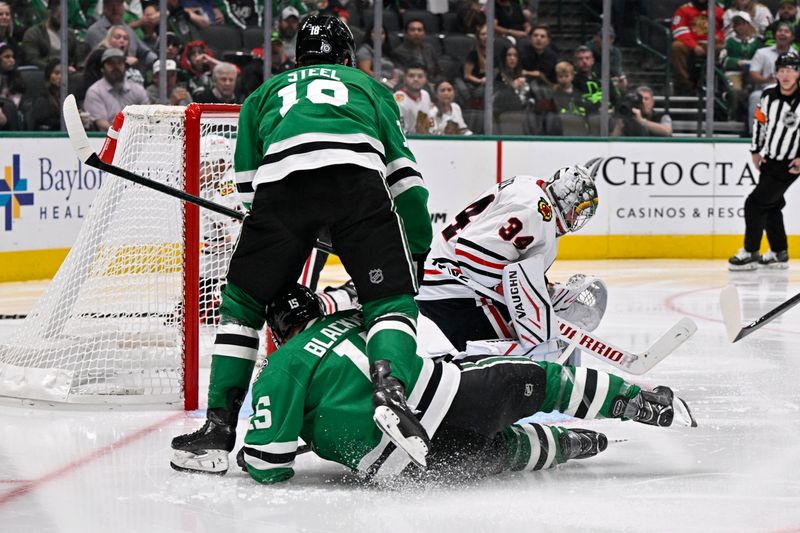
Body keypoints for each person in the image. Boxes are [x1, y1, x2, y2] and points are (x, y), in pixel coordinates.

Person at [170, 15, 435, 473]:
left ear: (298, 58)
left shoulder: (264, 93)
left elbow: (250, 190)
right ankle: (391, 394)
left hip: (281, 195)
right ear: (347, 55)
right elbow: (404, 180)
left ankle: (217, 432)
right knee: (390, 301)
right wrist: (417, 244)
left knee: (241, 307)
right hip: (358, 187)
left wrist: (295, 225)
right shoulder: (369, 88)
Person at [218, 283, 697, 484]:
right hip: (448, 397)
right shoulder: (359, 319)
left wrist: (257, 450)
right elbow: (399, 310)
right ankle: (637, 402)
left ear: (277, 332)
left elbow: (268, 464)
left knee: (501, 452)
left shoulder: (278, 372)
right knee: (538, 381)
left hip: (405, 467)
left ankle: (566, 445)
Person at [417, 166, 601, 362]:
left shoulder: (531, 187)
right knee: (518, 358)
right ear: (565, 198)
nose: (575, 219)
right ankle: (436, 378)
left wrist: (541, 287)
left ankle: (445, 367)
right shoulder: (536, 212)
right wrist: (527, 295)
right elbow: (474, 256)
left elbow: (509, 257)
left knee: (525, 344)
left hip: (449, 276)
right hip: (451, 286)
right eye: (576, 211)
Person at [729, 53, 800, 270]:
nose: (786, 75)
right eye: (782, 70)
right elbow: (760, 123)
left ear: (798, 73)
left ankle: (750, 252)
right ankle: (779, 252)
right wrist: (756, 150)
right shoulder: (768, 95)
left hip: (790, 164)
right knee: (771, 205)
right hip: (769, 159)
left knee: (754, 203)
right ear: (776, 73)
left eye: (790, 70)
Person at [747, 21, 797, 133]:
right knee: (755, 97)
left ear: (792, 37)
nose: (782, 34)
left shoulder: (796, 56)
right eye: (780, 31)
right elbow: (753, 73)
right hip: (766, 89)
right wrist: (766, 79)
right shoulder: (762, 53)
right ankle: (755, 134)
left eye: (786, 31)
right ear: (775, 35)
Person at [83, 47, 149, 132]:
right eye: (111, 63)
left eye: (119, 63)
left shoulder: (137, 89)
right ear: (102, 68)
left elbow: (147, 117)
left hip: (136, 138)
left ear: (125, 66)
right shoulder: (95, 91)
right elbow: (102, 124)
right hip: (106, 139)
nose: (116, 67)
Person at [670, 0, 725, 94]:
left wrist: (717, 38)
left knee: (722, 48)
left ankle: (717, 83)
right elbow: (679, 30)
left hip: (712, 44)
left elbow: (725, 29)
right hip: (691, 44)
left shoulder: (719, 10)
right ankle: (685, 84)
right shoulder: (683, 10)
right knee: (676, 47)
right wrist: (694, 46)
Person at [86, 0, 156, 70]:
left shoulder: (128, 30)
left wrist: (158, 61)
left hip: (132, 74)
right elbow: (103, 57)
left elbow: (145, 52)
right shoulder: (94, 31)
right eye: (111, 5)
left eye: (118, 5)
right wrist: (124, 59)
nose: (115, 9)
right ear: (104, 7)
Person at [20, 0, 80, 71]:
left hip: (68, 75)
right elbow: (32, 60)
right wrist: (56, 69)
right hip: (43, 75)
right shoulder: (34, 33)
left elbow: (77, 58)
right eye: (59, 16)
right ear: (49, 12)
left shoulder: (70, 34)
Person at [394, 62, 433, 134]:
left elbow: (429, 122)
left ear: (426, 79)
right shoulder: (398, 98)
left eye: (420, 76)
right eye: (411, 76)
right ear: (404, 78)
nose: (416, 79)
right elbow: (397, 130)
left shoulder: (425, 95)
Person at [29, 57, 61, 130]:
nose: (60, 76)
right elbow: (43, 122)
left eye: (64, 73)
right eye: (56, 73)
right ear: (48, 75)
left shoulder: (69, 95)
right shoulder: (42, 98)